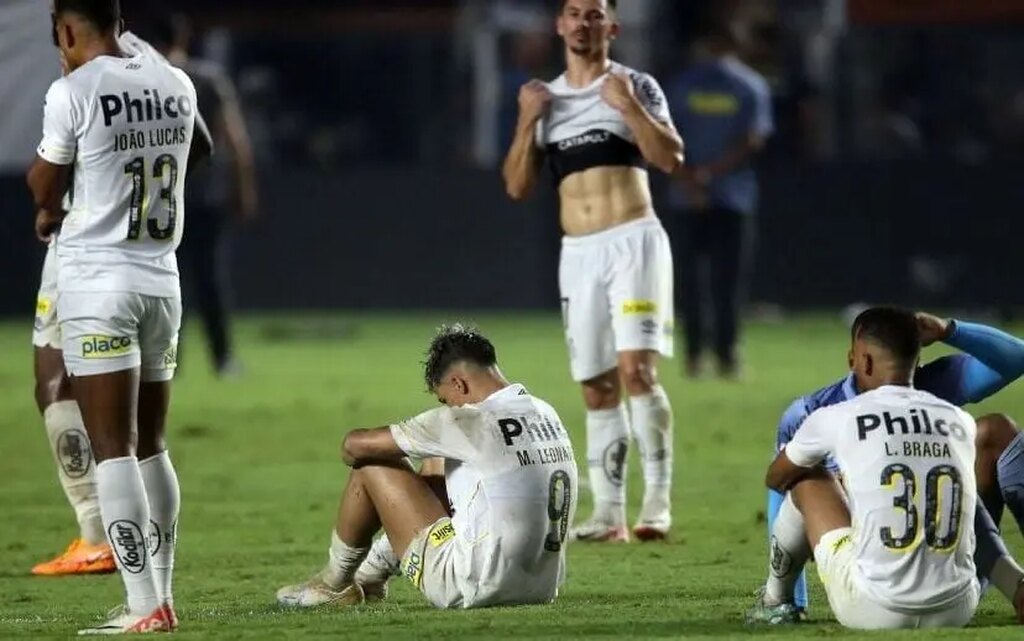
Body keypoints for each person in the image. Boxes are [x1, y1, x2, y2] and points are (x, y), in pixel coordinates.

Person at [26, 0, 209, 633]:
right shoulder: (175, 82)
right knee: (153, 446)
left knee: (113, 449)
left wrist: (61, 204)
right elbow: (200, 149)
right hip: (162, 279)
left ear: (66, 30)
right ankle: (160, 599)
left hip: (99, 285)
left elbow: (42, 186)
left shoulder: (71, 90)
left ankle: (142, 607)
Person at [501, 0, 683, 543]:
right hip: (578, 254)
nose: (584, 22)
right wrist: (526, 119)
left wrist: (628, 108)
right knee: (597, 387)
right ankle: (608, 514)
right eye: (574, 13)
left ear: (613, 27)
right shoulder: (545, 99)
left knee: (636, 373)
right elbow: (516, 186)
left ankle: (656, 503)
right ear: (560, 24)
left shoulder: (635, 85)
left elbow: (670, 157)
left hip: (633, 243)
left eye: (595, 14)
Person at [751, 308, 1024, 626]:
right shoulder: (951, 412)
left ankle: (777, 603)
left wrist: (953, 329)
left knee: (989, 436)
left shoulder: (822, 414)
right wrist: (951, 332)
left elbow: (778, 481)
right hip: (949, 592)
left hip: (878, 593)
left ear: (859, 360)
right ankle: (1013, 580)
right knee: (945, 475)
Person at [276, 325, 578, 609]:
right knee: (439, 458)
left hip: (474, 583)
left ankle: (335, 584)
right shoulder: (544, 412)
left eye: (446, 399)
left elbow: (354, 445)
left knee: (372, 464)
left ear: (459, 383)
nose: (449, 407)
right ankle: (371, 574)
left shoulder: (467, 420)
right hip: (540, 587)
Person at [139, 7, 257, 376]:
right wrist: (244, 189)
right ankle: (223, 360)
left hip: (156, 199)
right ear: (184, 37)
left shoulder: (140, 83)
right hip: (205, 197)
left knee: (162, 284)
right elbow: (236, 140)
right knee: (210, 281)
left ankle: (167, 361)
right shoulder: (207, 78)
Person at [666, 23, 773, 379]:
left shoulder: (683, 85)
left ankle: (696, 356)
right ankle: (725, 356)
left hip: (693, 196)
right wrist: (709, 176)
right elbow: (753, 140)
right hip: (731, 195)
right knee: (726, 281)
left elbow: (665, 137)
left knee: (692, 282)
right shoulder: (750, 85)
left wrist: (690, 178)